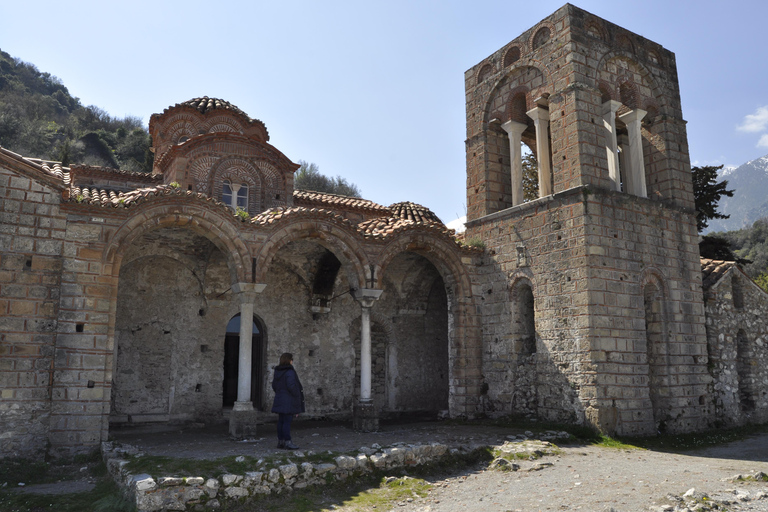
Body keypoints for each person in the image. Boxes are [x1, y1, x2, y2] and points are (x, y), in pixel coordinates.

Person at [271, 352, 304, 449]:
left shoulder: (278, 371)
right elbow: (291, 386)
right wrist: (296, 394)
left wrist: (280, 392)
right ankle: (287, 442)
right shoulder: (290, 372)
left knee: (281, 421)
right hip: (288, 400)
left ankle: (280, 441)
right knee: (287, 421)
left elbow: (274, 385)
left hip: (280, 398)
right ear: (289, 360)